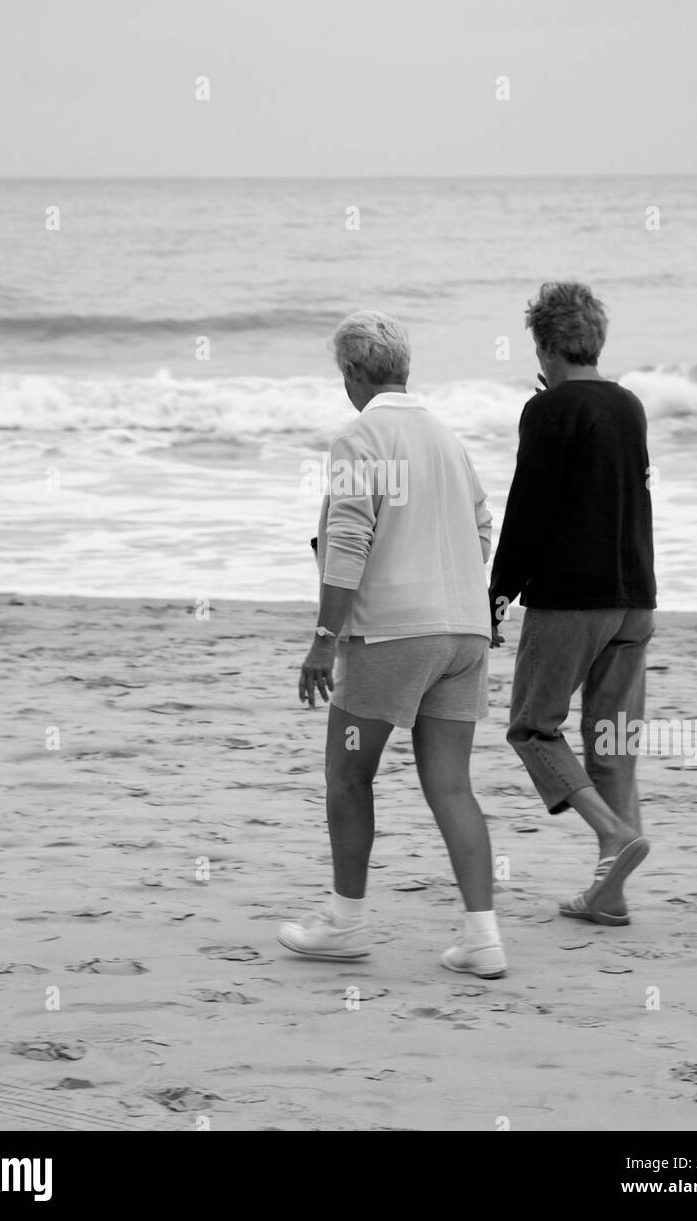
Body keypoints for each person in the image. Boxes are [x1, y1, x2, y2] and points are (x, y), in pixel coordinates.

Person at [279, 310, 506, 977]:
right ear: (404, 369)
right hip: (463, 633)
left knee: (348, 774)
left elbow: (347, 539)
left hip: (392, 637)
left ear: (351, 374)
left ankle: (344, 923)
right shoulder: (447, 438)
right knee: (452, 786)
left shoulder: (359, 436)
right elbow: (481, 527)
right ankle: (482, 936)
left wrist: (324, 638)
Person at [489, 282, 656, 926]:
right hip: (634, 597)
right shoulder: (629, 405)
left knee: (533, 727)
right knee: (611, 743)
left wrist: (499, 591)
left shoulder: (549, 411)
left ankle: (613, 836)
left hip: (573, 599)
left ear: (545, 344)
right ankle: (609, 894)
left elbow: (528, 511)